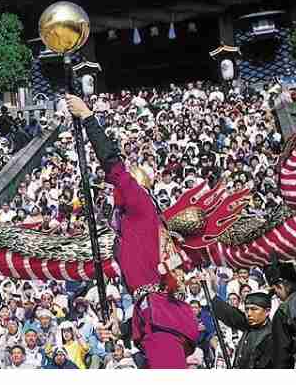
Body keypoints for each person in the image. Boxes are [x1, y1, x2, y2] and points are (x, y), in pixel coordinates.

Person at [66, 93, 199, 369]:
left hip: (162, 325)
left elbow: (113, 166)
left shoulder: (139, 209)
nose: (107, 196)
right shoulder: (125, 235)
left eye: (110, 192)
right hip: (150, 322)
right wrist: (120, 330)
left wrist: (89, 118)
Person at [204, 273, 273, 369]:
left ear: (267, 311)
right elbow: (230, 314)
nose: (249, 313)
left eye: (254, 309)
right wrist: (210, 293)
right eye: (247, 309)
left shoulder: (271, 336)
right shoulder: (249, 324)